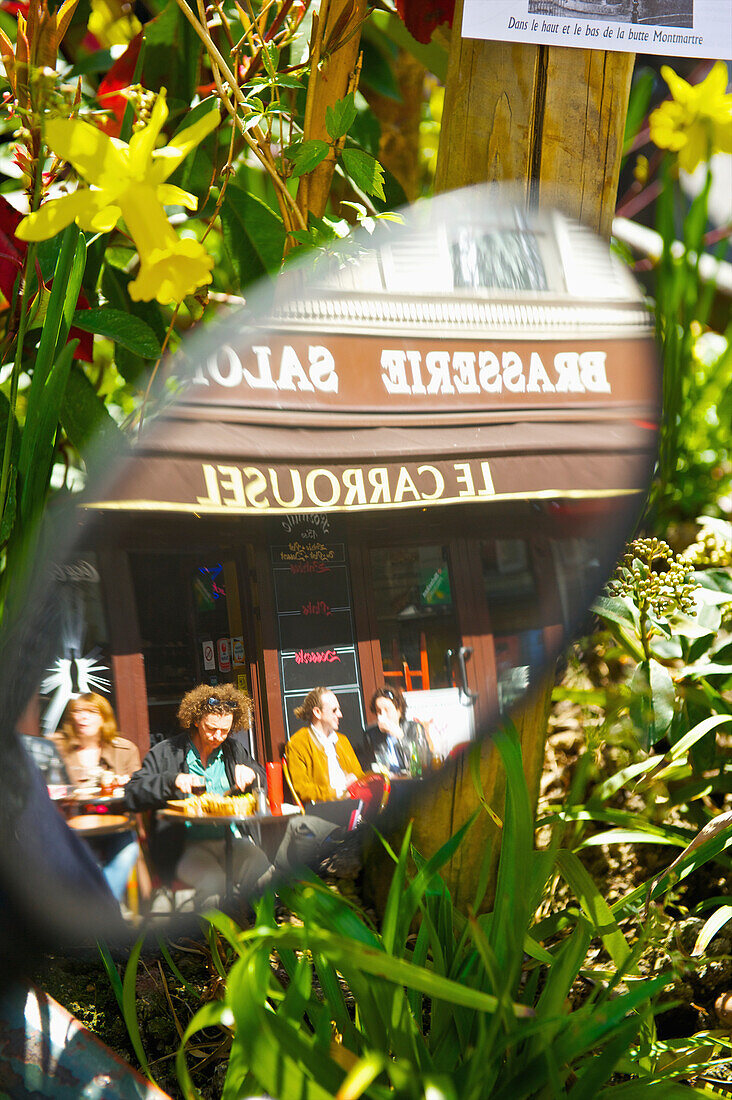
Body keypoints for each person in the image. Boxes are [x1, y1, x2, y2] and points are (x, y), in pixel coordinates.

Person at [124, 683, 271, 906]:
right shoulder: (167, 752)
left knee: (265, 871)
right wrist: (171, 781)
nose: (218, 736)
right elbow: (132, 792)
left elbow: (262, 779)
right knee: (215, 885)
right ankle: (212, 939)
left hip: (231, 839)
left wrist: (252, 773)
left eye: (225, 730)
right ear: (195, 720)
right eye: (211, 728)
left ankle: (258, 930)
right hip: (185, 846)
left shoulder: (233, 751)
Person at [51, 693, 141, 902]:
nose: (82, 718)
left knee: (128, 849)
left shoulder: (124, 750)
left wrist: (126, 783)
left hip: (115, 826)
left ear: (104, 718)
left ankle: (100, 909)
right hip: (71, 826)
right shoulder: (57, 748)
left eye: (91, 712)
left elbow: (139, 790)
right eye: (77, 712)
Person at [286, 687, 365, 803]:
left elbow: (360, 776)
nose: (340, 714)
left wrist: (357, 782)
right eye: (334, 710)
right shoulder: (298, 743)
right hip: (324, 810)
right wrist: (339, 790)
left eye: (339, 709)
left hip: (353, 804)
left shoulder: (342, 741)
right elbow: (302, 790)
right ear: (317, 712)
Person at [366, 685, 432, 777]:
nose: (382, 715)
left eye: (386, 710)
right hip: (387, 785)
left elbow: (424, 761)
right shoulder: (371, 735)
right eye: (379, 711)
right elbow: (369, 767)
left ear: (399, 710)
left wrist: (400, 737)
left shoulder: (414, 728)